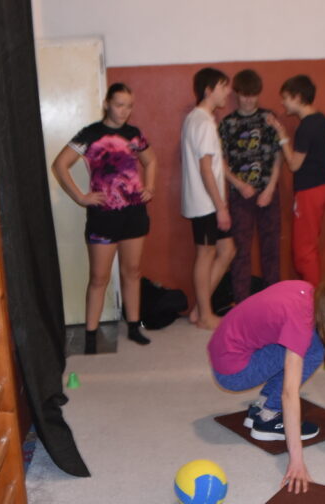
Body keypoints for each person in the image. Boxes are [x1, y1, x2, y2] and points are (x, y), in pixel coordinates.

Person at [207, 263, 325, 493]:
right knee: (315, 346)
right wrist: (297, 461)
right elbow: (289, 393)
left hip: (224, 353)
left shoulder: (305, 290)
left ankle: (262, 406)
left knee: (304, 341)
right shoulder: (302, 319)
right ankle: (268, 417)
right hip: (232, 372)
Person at [52, 82, 157, 354]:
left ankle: (134, 326)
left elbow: (151, 161)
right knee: (99, 278)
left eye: (129, 106)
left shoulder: (134, 134)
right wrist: (80, 197)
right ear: (107, 104)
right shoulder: (90, 134)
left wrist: (150, 187)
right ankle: (90, 335)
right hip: (103, 217)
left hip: (134, 213)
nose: (124, 111)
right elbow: (60, 165)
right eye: (119, 105)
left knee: (132, 272)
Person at [219, 69, 283, 303]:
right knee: (241, 251)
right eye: (244, 95)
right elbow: (220, 161)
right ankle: (242, 303)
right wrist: (239, 184)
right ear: (236, 94)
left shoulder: (269, 119)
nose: (248, 100)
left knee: (271, 249)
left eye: (253, 95)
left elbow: (278, 156)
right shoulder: (227, 124)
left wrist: (270, 188)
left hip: (268, 193)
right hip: (240, 196)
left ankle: (274, 301)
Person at [266, 75, 325, 286]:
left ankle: (314, 299)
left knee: (304, 252)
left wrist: (282, 136)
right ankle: (315, 295)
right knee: (307, 247)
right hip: (319, 188)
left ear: (298, 97)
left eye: (286, 98)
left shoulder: (307, 126)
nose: (283, 103)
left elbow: (294, 164)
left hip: (309, 192)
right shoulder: (321, 119)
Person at [182, 68, 234, 330]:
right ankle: (204, 315)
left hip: (210, 202)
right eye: (223, 87)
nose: (228, 92)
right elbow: (205, 169)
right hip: (205, 203)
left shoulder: (200, 119)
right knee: (206, 254)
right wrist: (220, 207)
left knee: (227, 250)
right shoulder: (202, 122)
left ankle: (199, 310)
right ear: (208, 90)